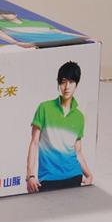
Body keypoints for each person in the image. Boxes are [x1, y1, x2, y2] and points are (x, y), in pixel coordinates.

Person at [26, 61, 93, 193]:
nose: (67, 87)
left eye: (71, 82)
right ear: (58, 84)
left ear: (76, 84)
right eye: (63, 82)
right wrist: (30, 175)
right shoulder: (44, 108)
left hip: (74, 176)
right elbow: (34, 143)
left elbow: (78, 152)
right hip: (48, 178)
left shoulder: (79, 116)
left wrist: (89, 174)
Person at [0, 9, 87, 48]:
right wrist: (16, 43)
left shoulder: (38, 23)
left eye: (5, 13)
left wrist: (83, 37)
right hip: (41, 44)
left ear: (14, 14)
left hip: (67, 40)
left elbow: (59, 32)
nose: (3, 16)